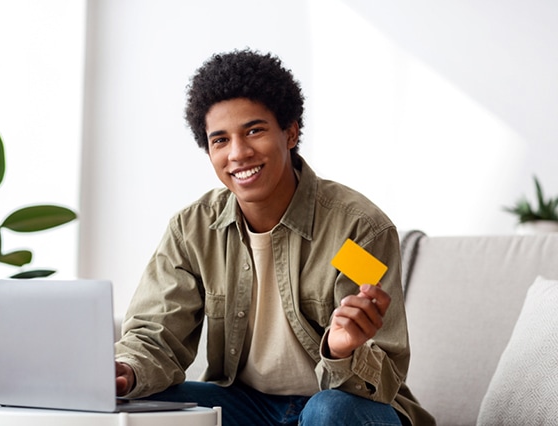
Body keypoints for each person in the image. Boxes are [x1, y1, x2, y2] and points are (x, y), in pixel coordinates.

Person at [114, 48, 434, 425]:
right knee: (139, 406)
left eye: (254, 130)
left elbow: (384, 377)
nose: (239, 153)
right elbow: (155, 335)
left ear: (291, 132)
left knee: (328, 410)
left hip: (341, 406)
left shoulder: (354, 229)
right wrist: (125, 371)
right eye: (220, 140)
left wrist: (340, 350)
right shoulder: (193, 230)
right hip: (248, 407)